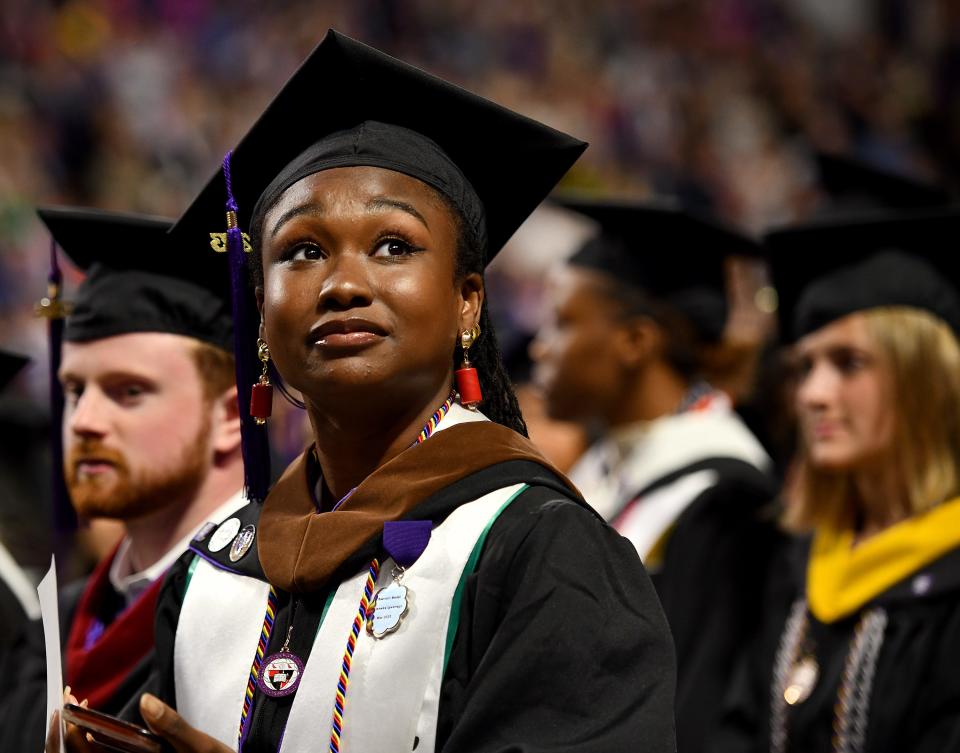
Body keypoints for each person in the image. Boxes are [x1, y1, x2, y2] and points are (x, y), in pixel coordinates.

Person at [54, 31, 677, 753]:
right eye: (303, 251)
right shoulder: (215, 570)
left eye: (393, 246)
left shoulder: (541, 552)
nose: (344, 284)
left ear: (468, 302)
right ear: (260, 309)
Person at [530, 198, 781, 753]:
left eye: (564, 321)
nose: (542, 344)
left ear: (636, 343)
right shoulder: (604, 465)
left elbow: (696, 711)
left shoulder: (722, 500)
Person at [714, 208, 960, 753]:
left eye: (848, 363)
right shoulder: (799, 560)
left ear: (925, 381)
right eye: (805, 367)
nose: (812, 394)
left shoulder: (950, 576)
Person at [26, 207, 247, 739]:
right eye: (75, 391)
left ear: (230, 417)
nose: (83, 422)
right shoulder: (54, 626)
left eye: (129, 391)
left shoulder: (273, 610)